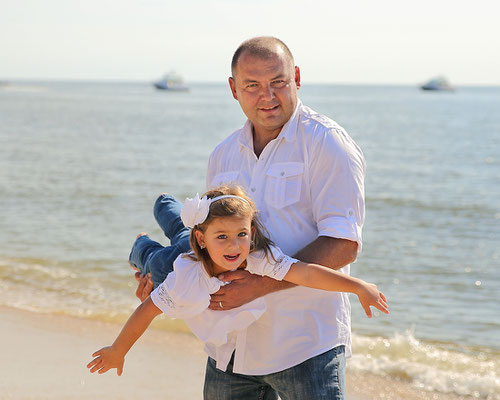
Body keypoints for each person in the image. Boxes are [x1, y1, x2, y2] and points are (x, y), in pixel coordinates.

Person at [133, 36, 369, 399]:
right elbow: (212, 240)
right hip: (229, 350)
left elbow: (343, 245)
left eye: (278, 82)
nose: (268, 96)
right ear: (233, 89)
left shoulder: (327, 144)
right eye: (252, 86)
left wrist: (263, 284)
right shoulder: (223, 154)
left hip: (304, 346)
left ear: (297, 78)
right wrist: (163, 277)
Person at [87, 186, 388, 377]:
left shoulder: (258, 256)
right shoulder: (187, 277)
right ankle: (143, 238)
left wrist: (358, 286)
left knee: (177, 229)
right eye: (224, 237)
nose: (234, 247)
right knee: (155, 257)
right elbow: (147, 310)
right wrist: (119, 349)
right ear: (203, 239)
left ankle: (166, 212)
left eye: (241, 235)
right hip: (179, 260)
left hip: (196, 241)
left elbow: (306, 272)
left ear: (251, 232)